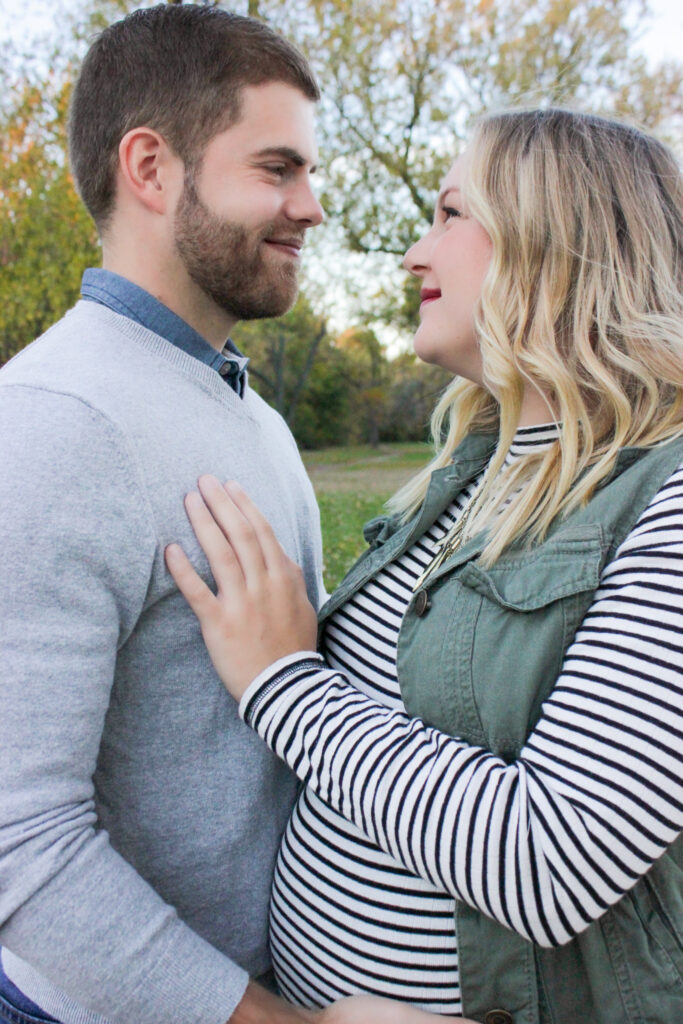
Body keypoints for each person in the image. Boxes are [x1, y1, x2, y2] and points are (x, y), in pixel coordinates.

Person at [0, 7, 470, 1024]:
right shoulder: (54, 421)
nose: (311, 206)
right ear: (152, 168)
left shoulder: (243, 407)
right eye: (276, 168)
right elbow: (18, 849)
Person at [167, 108, 683, 1024]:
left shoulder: (665, 497)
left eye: (448, 215)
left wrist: (281, 684)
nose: (414, 253)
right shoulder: (468, 469)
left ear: (553, 239)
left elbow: (551, 859)